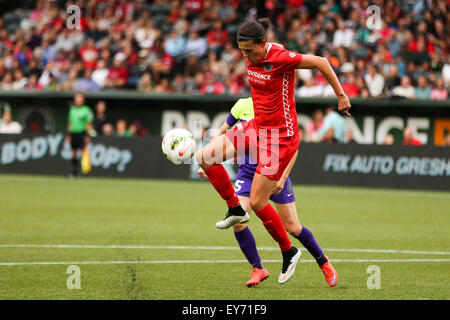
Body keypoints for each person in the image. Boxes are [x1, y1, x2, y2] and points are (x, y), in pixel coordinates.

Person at [195, 18, 350, 285]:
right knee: (205, 157)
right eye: (241, 51)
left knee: (258, 203)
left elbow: (322, 63)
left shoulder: (279, 57)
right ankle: (235, 208)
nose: (245, 57)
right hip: (257, 128)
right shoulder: (253, 53)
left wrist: (341, 95)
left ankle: (296, 254)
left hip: (280, 139)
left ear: (263, 44)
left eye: (249, 51)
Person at [198, 97, 336, 287]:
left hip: (274, 171)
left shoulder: (279, 106)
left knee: (293, 228)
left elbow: (293, 148)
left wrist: (283, 176)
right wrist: (209, 162)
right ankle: (258, 268)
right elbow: (222, 135)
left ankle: (323, 262)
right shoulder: (241, 105)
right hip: (247, 173)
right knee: (238, 221)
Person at [66, 93, 94, 178]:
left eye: (80, 99)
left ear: (83, 100)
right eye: (77, 99)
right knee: (74, 153)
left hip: (82, 133)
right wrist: (69, 135)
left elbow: (89, 123)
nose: (78, 101)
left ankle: (86, 172)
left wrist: (87, 135)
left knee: (84, 152)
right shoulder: (72, 110)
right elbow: (70, 123)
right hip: (73, 134)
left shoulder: (87, 110)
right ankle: (74, 172)